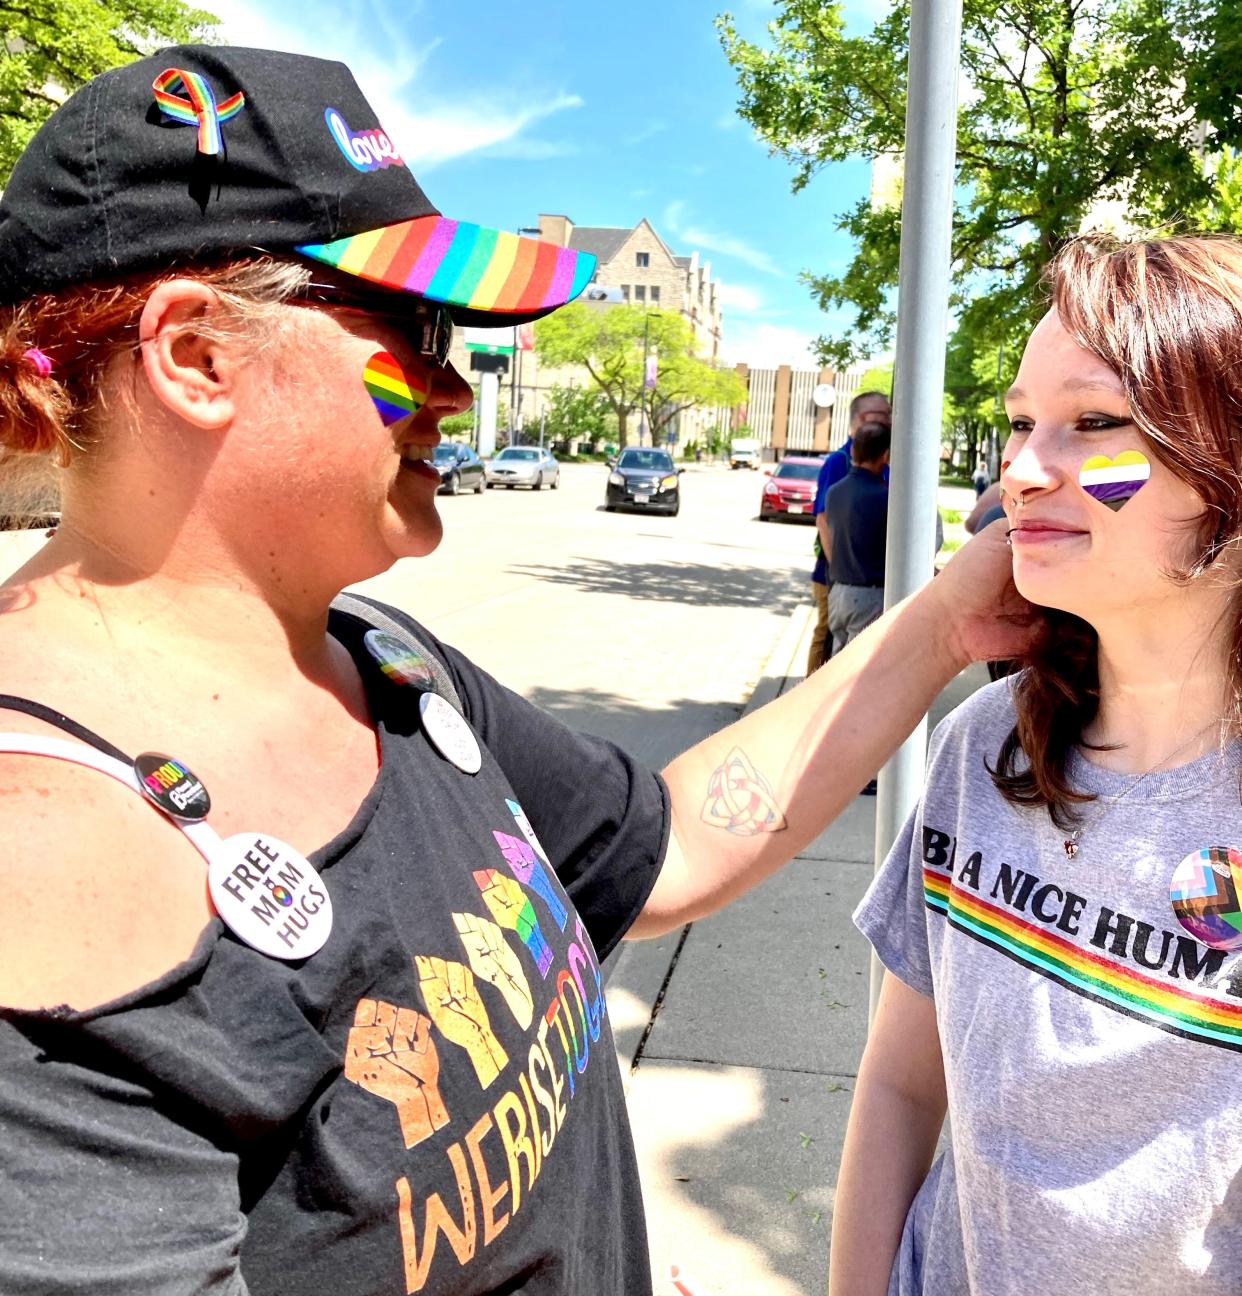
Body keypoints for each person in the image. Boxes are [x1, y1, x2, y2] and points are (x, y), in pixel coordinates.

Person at [0, 47, 1036, 1296]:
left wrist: (944, 624)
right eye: (414, 330)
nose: (452, 385)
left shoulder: (384, 664)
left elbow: (670, 844)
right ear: (195, 355)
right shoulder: (42, 850)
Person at [832, 233, 1242, 1296]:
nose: (1017, 470)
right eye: (1020, 424)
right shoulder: (990, 743)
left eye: (1094, 424)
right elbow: (899, 1088)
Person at [808, 390, 892, 675]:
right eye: (885, 414)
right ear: (864, 418)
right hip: (842, 577)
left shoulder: (888, 466)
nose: (891, 419)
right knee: (829, 644)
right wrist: (841, 571)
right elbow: (823, 520)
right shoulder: (838, 462)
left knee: (841, 654)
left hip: (851, 580)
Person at [824, 420, 892, 657]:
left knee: (835, 670)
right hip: (868, 597)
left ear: (853, 451)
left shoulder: (834, 493)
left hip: (838, 593)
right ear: (885, 455)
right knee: (857, 675)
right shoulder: (885, 498)